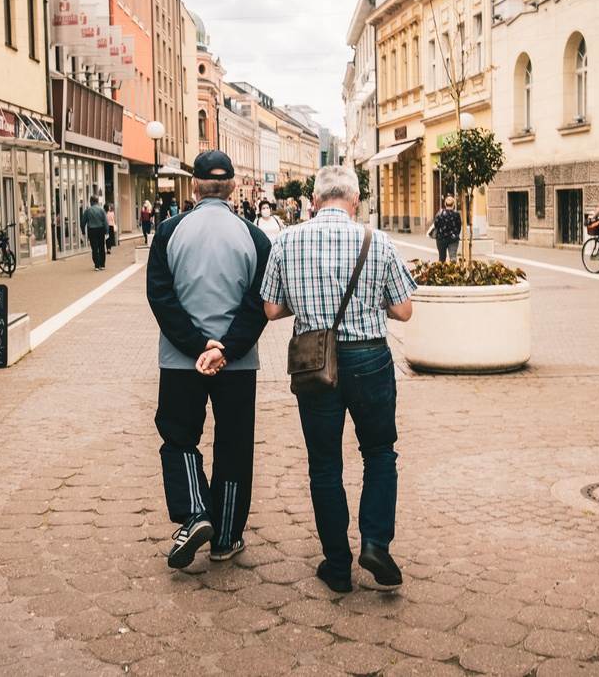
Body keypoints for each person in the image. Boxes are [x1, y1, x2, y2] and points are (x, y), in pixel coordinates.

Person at [261, 165, 417, 594]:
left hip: (314, 362)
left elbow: (271, 310)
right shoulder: (378, 241)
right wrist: (367, 305)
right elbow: (403, 310)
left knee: (325, 463)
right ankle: (375, 543)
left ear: (314, 200)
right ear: (354, 202)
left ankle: (336, 564)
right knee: (380, 453)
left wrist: (313, 308)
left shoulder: (286, 241)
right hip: (369, 358)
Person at [147, 150, 271, 569]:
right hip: (236, 364)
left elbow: (161, 298)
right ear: (233, 186)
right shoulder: (254, 238)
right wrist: (224, 349)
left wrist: (198, 346)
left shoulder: (168, 232)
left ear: (195, 186)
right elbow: (259, 305)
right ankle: (226, 536)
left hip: (181, 361)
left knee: (178, 435)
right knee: (234, 445)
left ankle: (196, 510)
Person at [428, 195, 462, 262]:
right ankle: (453, 272)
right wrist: (454, 234)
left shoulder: (440, 213)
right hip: (453, 239)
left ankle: (442, 271)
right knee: (453, 258)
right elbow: (459, 227)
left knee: (442, 258)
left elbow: (436, 225)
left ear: (445, 204)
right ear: (454, 204)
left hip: (441, 239)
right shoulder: (456, 214)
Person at [82, 195, 108, 271]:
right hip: (100, 230)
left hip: (92, 230)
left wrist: (83, 231)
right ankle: (102, 265)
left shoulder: (88, 211)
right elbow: (105, 222)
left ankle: (96, 265)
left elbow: (83, 222)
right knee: (101, 247)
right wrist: (106, 231)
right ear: (97, 202)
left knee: (94, 248)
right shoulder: (102, 210)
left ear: (91, 202)